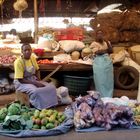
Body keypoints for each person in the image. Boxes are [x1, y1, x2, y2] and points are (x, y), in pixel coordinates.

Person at [14, 43, 58, 109]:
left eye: (29, 50)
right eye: (25, 50)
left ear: (31, 50)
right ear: (22, 52)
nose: (27, 52)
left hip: (32, 79)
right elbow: (20, 79)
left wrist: (39, 80)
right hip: (21, 82)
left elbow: (37, 70)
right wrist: (35, 83)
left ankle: (49, 105)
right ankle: (37, 106)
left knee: (51, 87)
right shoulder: (18, 62)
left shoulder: (32, 58)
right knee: (36, 91)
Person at [89, 30, 114, 97]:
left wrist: (106, 42)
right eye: (98, 34)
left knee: (108, 80)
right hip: (99, 63)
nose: (100, 35)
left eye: (101, 34)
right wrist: (106, 51)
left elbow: (111, 51)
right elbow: (98, 52)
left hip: (108, 63)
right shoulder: (93, 44)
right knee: (100, 80)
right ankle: (101, 96)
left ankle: (109, 96)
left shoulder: (107, 42)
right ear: (96, 35)